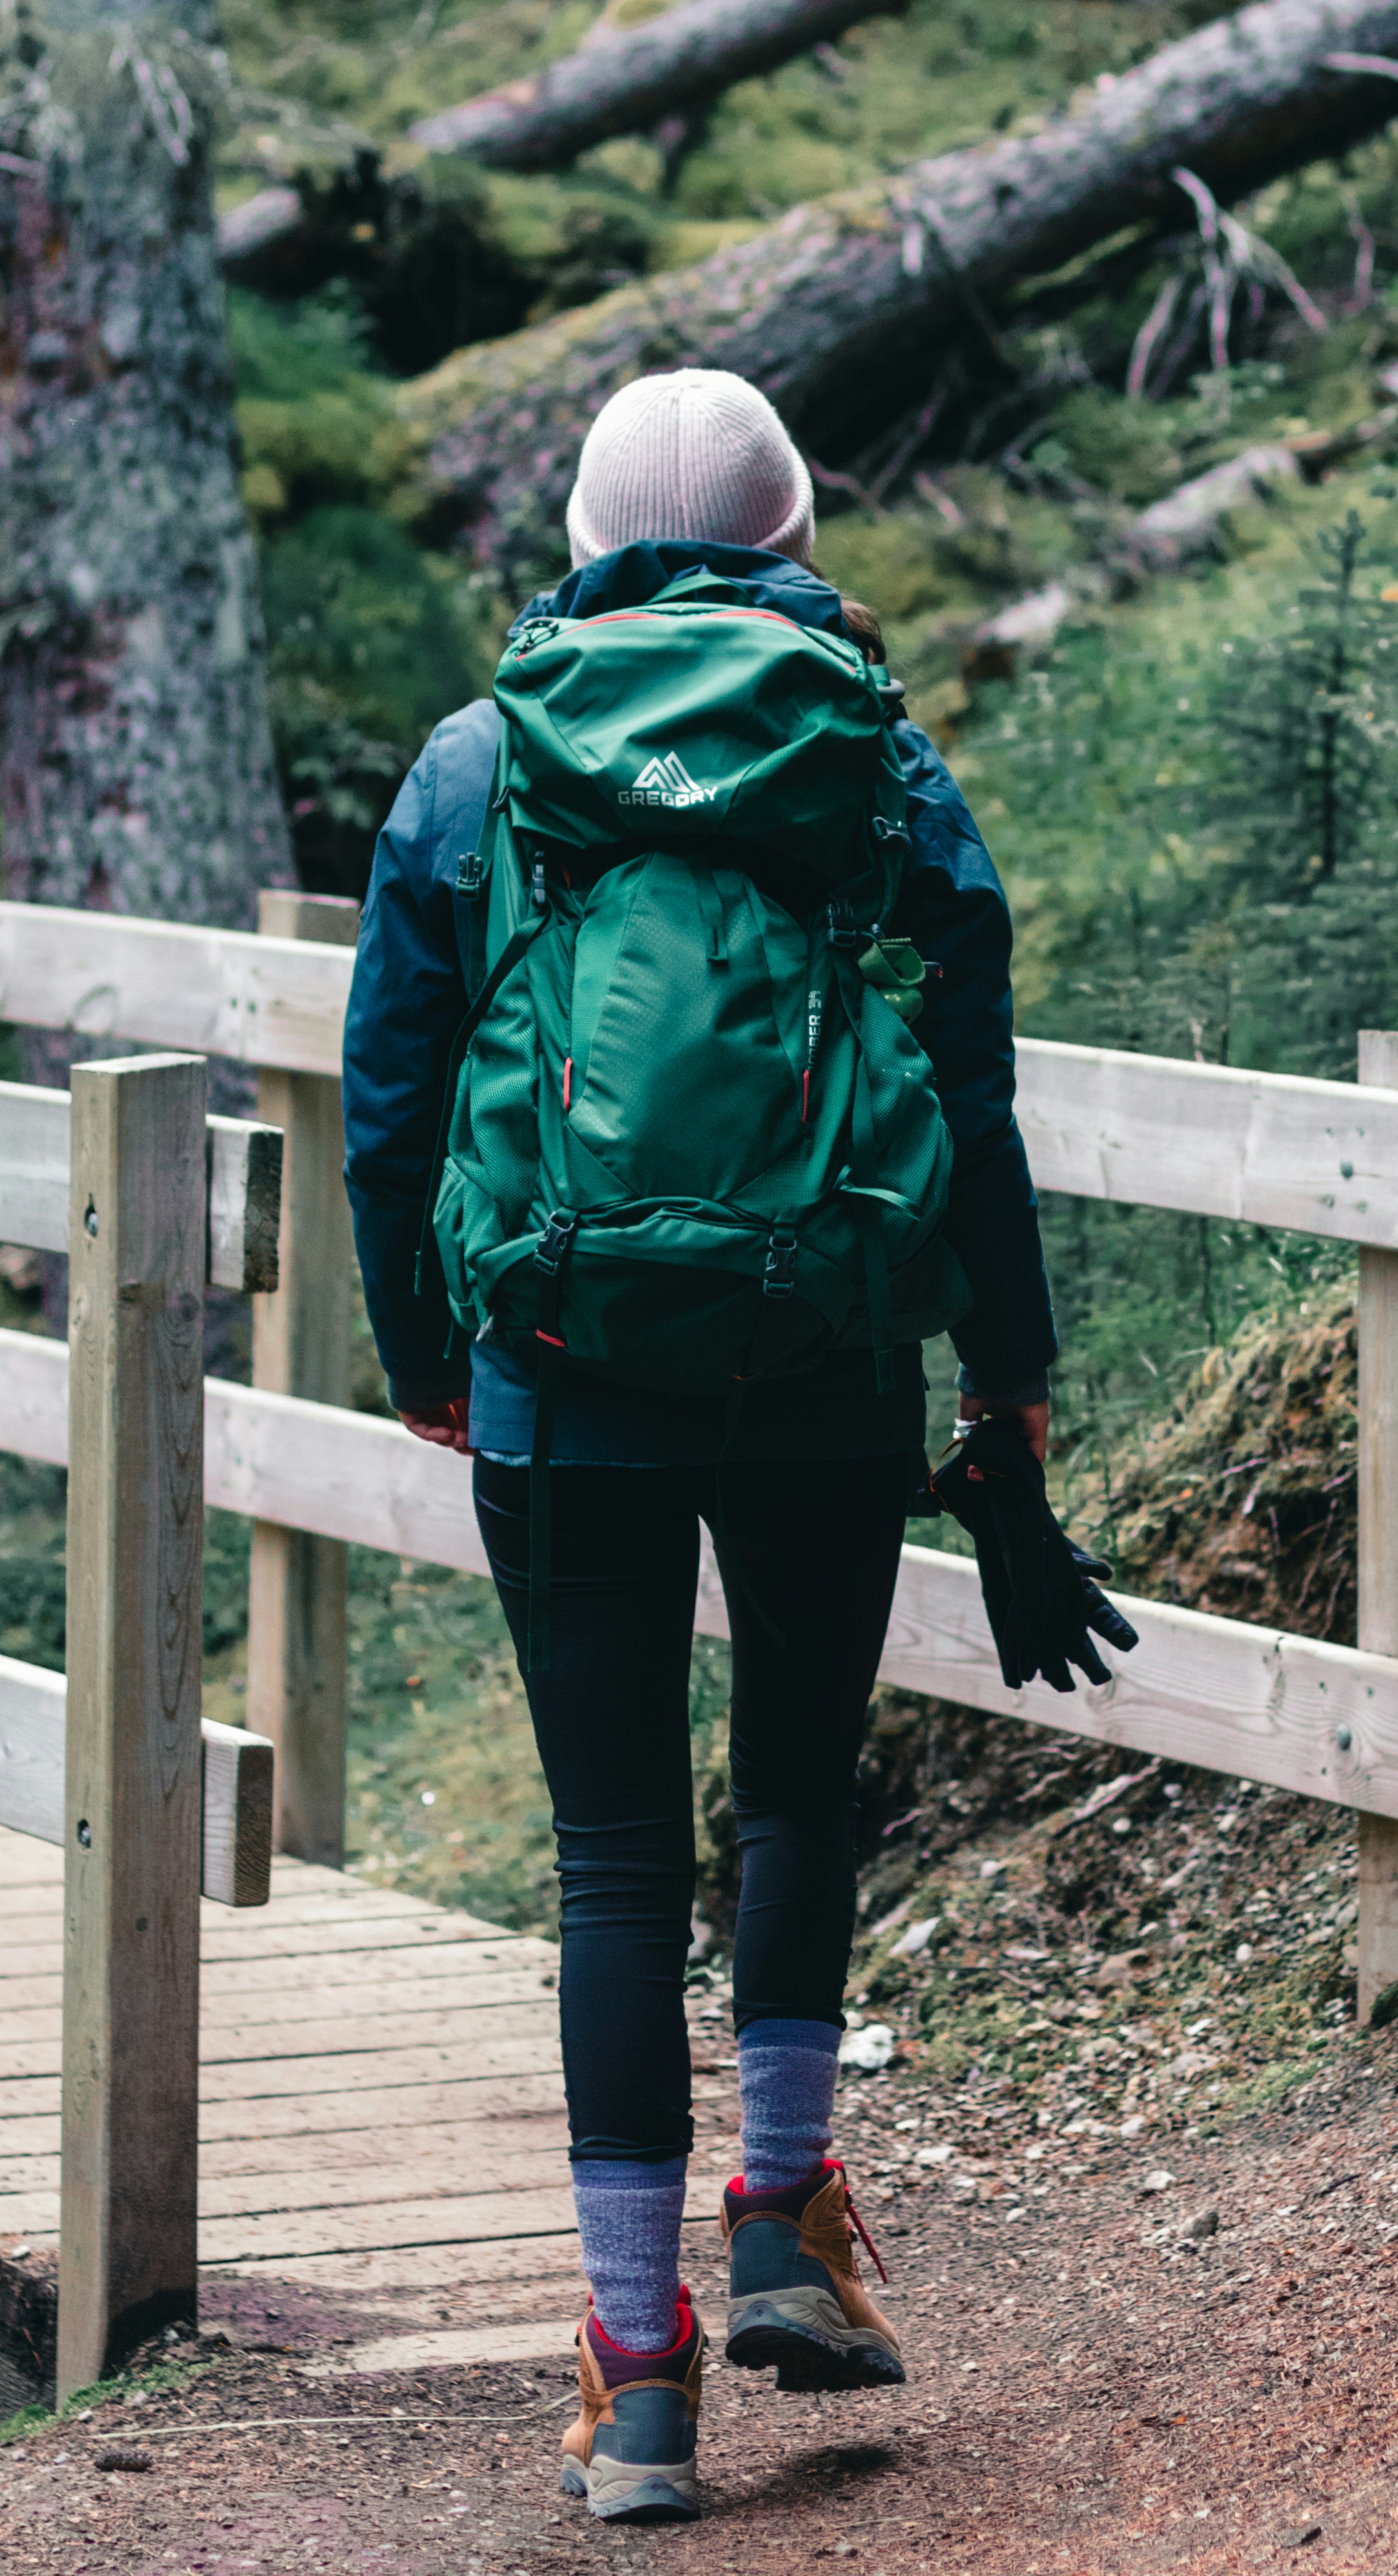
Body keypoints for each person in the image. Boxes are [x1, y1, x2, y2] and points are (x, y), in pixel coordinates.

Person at [343, 365, 1054, 2525]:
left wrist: (428, 1356)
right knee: (802, 1798)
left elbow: (388, 1102)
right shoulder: (870, 752)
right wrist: (1003, 1381)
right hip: (823, 1360)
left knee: (615, 1860)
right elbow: (974, 1089)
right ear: (794, 532)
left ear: (576, 533)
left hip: (561, 1373)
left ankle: (638, 2383)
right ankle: (786, 2216)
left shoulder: (482, 765)